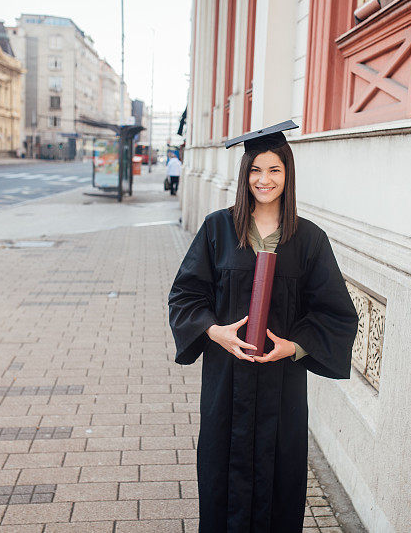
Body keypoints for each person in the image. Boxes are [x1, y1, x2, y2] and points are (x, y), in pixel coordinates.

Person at [167, 120, 359, 531]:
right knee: (221, 475)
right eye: (256, 170)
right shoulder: (218, 229)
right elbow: (185, 296)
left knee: (281, 482)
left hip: (281, 388)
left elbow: (335, 313)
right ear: (244, 175)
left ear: (287, 175)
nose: (264, 179)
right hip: (225, 381)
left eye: (274, 170)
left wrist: (293, 347)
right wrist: (213, 331)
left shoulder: (309, 240)